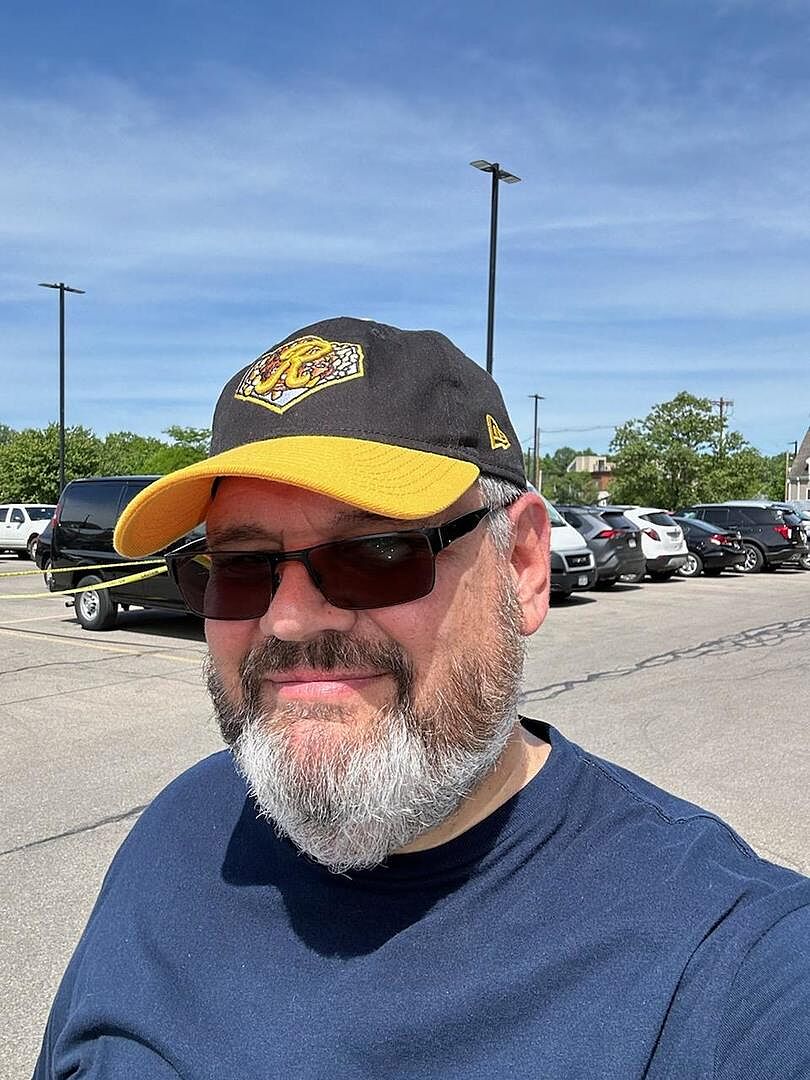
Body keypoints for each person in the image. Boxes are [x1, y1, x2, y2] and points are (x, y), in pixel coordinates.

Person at [35, 318, 809, 1080]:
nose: (289, 619)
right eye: (238, 566)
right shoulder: (181, 831)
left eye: (377, 551)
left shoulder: (727, 956)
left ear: (524, 567)